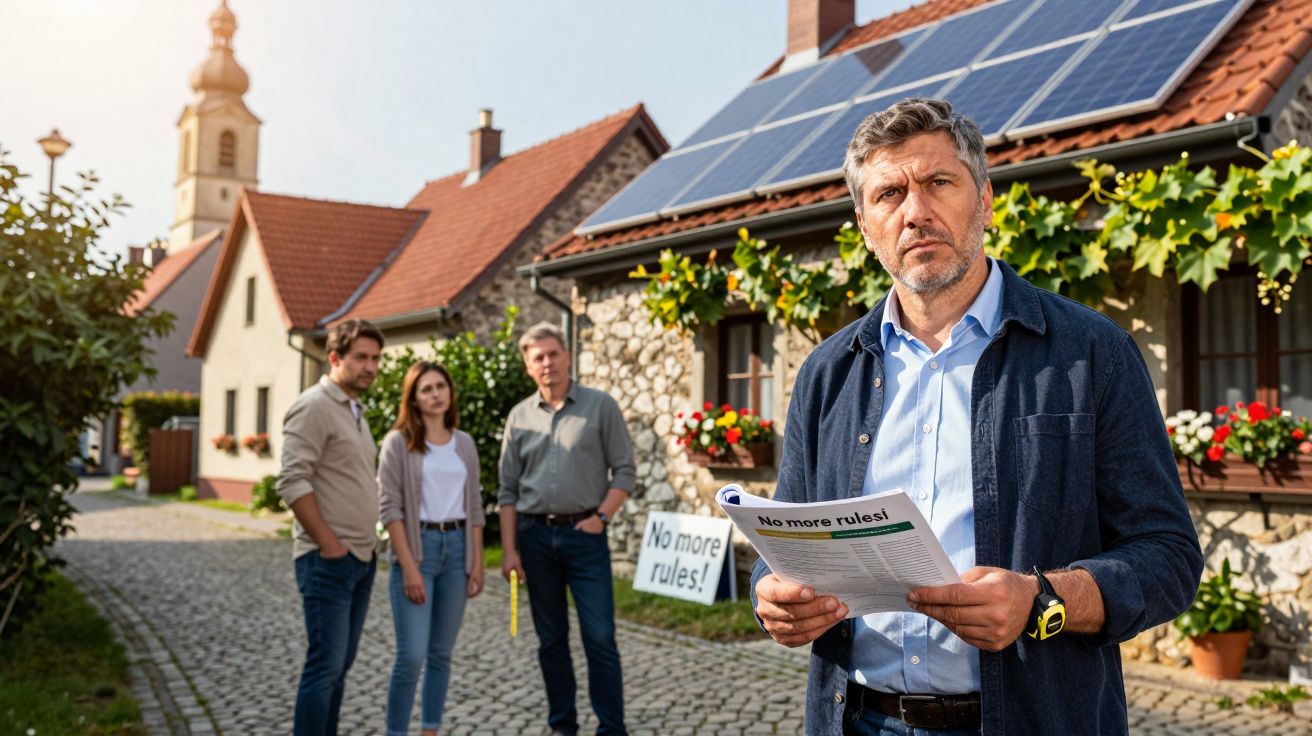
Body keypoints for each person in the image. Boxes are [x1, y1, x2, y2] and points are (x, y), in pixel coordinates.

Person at [749, 98, 1203, 735]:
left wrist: (1041, 600)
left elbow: (1169, 558)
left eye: (939, 182)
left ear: (984, 200)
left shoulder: (1091, 354)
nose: (915, 212)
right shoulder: (828, 373)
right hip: (858, 720)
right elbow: (783, 545)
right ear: (864, 225)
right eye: (889, 194)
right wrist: (770, 596)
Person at [498, 321, 636, 736]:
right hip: (534, 539)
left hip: (585, 536)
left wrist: (601, 518)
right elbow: (507, 490)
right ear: (528, 366)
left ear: (567, 356)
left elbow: (624, 471)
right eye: (537, 357)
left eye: (553, 354)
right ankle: (562, 725)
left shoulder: (600, 406)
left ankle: (611, 728)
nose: (547, 363)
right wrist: (509, 550)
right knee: (551, 639)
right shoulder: (519, 417)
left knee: (600, 637)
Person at [276, 319, 386, 736]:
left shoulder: (354, 409)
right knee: (325, 666)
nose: (370, 367)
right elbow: (291, 481)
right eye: (361, 358)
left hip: (361, 557)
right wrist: (328, 543)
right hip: (328, 560)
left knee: (339, 666)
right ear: (335, 358)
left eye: (375, 359)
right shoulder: (314, 406)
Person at [377, 361, 486, 736]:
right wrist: (409, 567)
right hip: (417, 550)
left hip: (457, 551)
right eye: (426, 389)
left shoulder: (464, 443)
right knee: (411, 655)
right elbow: (390, 509)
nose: (436, 394)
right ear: (413, 398)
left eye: (441, 386)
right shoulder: (398, 443)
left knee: (441, 654)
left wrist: (476, 562)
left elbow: (475, 507)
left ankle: (430, 730)